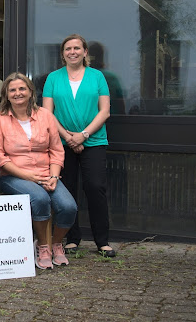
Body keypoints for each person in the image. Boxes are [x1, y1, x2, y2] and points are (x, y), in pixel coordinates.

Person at [0, 73, 77, 269]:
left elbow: (56, 150)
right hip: (14, 176)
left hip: (46, 174)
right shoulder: (0, 118)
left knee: (68, 206)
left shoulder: (45, 116)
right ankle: (43, 246)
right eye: (12, 90)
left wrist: (54, 176)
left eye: (22, 89)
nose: (18, 93)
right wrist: (28, 176)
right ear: (6, 94)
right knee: (40, 199)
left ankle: (56, 244)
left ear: (30, 92)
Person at [42, 34, 115, 257]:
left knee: (95, 188)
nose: (72, 52)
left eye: (76, 48)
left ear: (85, 52)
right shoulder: (53, 78)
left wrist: (82, 135)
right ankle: (72, 239)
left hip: (93, 141)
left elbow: (105, 111)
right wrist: (68, 137)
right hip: (62, 142)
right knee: (68, 190)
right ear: (62, 54)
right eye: (67, 49)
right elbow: (47, 112)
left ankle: (102, 241)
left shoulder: (97, 77)